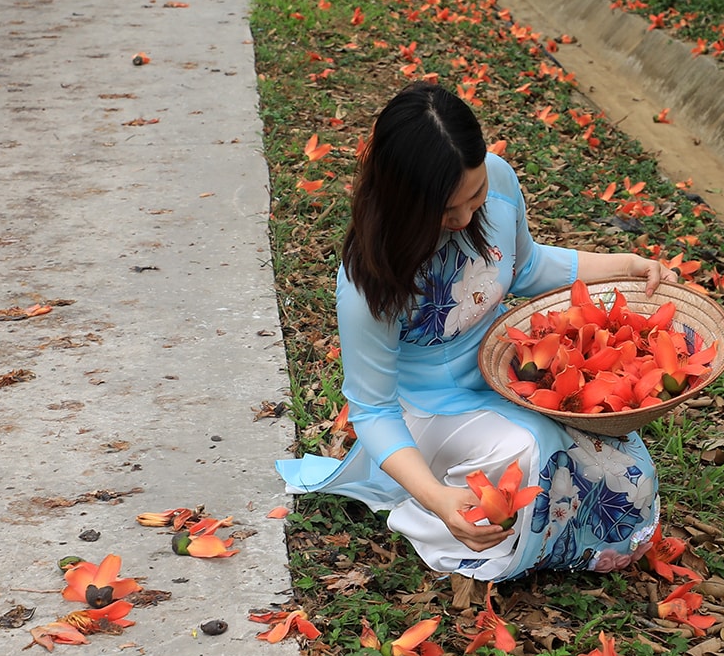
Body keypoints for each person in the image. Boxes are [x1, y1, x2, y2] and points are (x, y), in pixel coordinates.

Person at [278, 82, 674, 581]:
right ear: (404, 202)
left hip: (505, 374)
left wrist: (625, 265)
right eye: (446, 213)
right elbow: (373, 410)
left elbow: (526, 266)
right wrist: (439, 498)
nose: (466, 219)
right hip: (427, 408)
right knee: (535, 449)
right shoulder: (368, 280)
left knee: (622, 467)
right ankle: (429, 514)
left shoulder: (501, 179)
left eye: (476, 196)